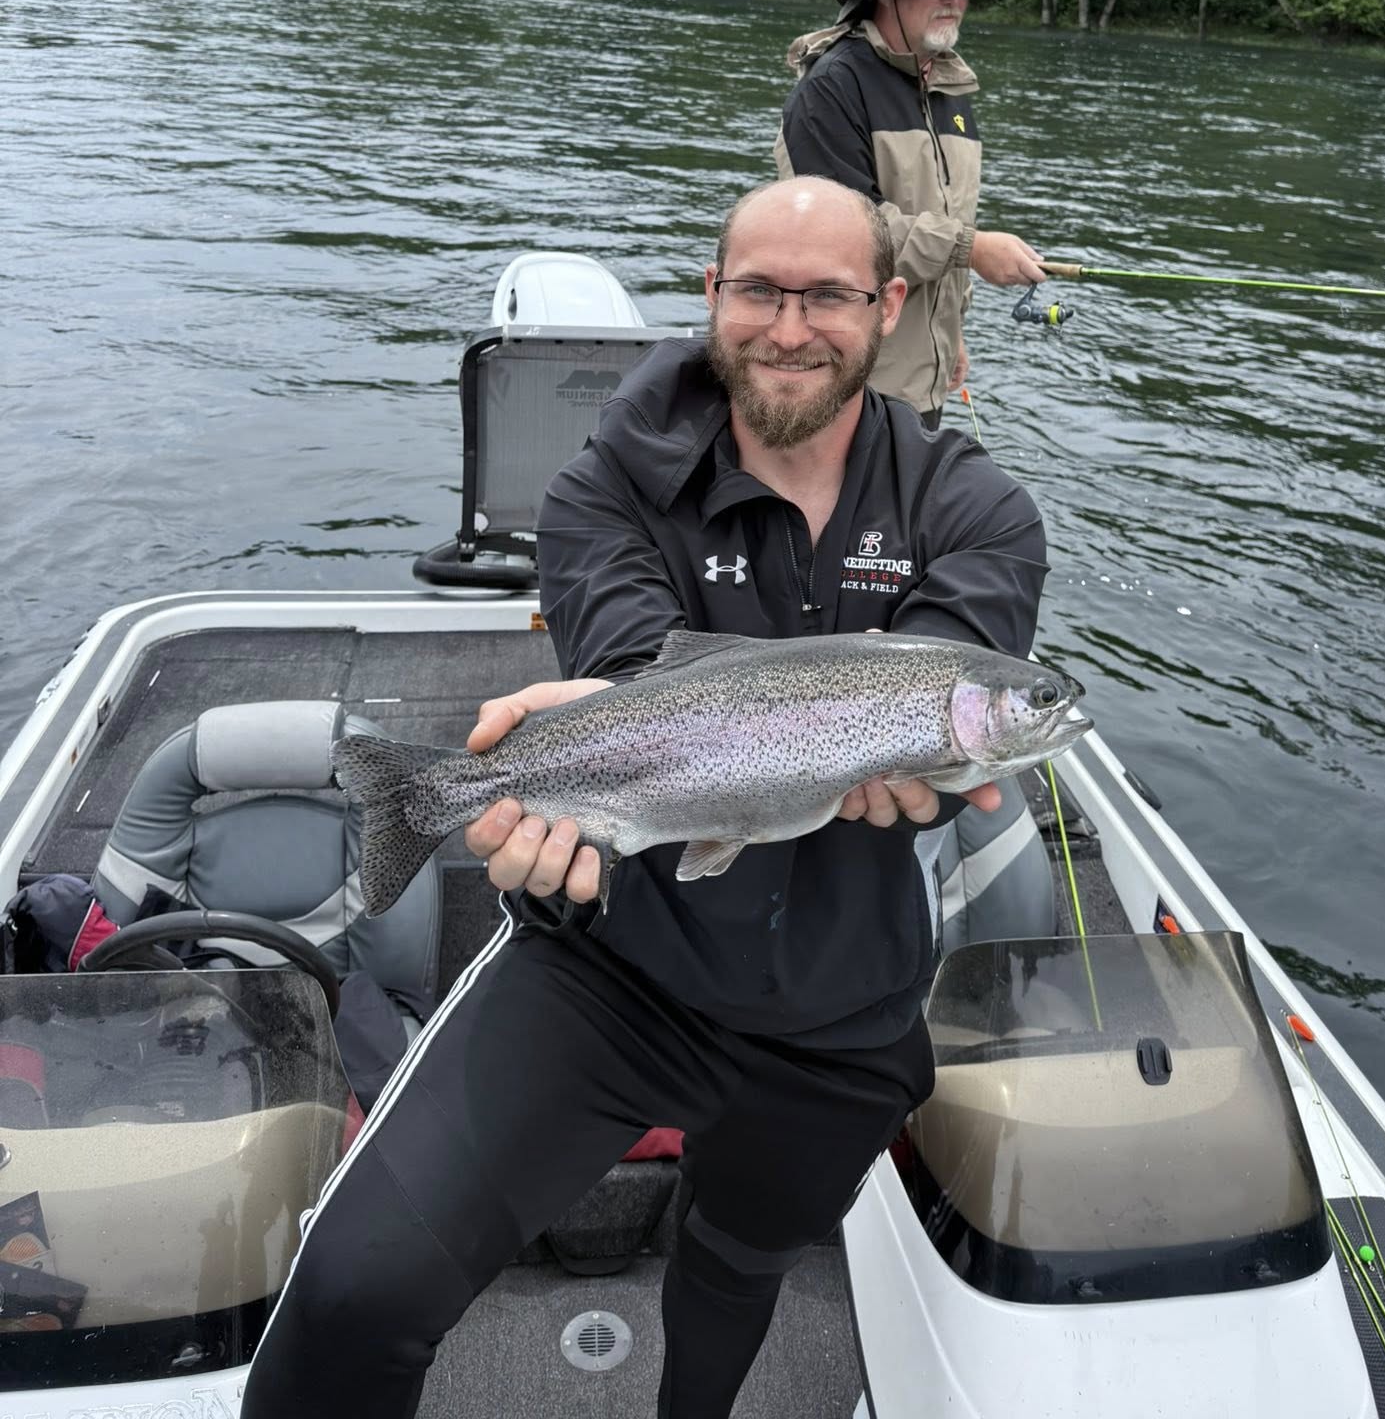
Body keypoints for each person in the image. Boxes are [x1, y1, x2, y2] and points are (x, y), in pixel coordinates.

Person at [242, 176, 1048, 1419]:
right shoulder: (599, 486)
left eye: (827, 292)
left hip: (842, 1005)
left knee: (739, 1270)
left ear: (888, 307)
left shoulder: (976, 508)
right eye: (760, 290)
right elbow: (624, 670)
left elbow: (954, 713)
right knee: (351, 1295)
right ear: (711, 295)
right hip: (613, 960)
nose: (790, 324)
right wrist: (565, 753)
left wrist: (929, 784)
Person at [776, 0, 1047, 427]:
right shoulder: (831, 88)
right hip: (850, 384)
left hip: (924, 380)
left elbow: (945, 214)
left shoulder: (949, 89)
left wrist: (951, 335)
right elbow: (848, 233)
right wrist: (974, 249)